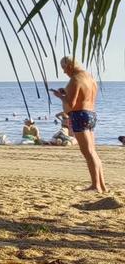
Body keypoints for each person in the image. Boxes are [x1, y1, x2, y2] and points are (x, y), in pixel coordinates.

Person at [53, 55, 106, 193]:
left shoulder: (75, 79)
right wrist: (66, 94)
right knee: (93, 152)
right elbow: (84, 96)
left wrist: (61, 97)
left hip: (79, 115)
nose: (64, 72)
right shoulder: (90, 78)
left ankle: (95, 186)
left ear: (70, 65)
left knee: (88, 153)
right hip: (91, 114)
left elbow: (70, 106)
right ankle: (102, 185)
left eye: (64, 68)